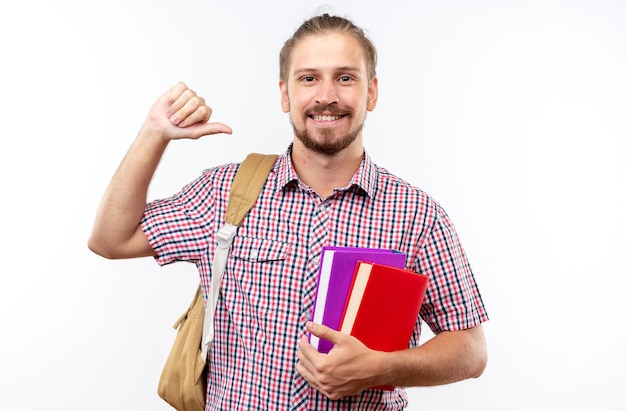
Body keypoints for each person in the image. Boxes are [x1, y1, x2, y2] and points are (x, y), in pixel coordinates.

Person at [88, 13, 488, 411]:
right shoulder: (225, 193)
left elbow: (471, 351)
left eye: (345, 78)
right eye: (308, 78)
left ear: (372, 92)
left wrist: (384, 367)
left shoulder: (417, 215)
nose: (326, 95)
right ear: (285, 94)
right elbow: (111, 240)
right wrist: (154, 133)